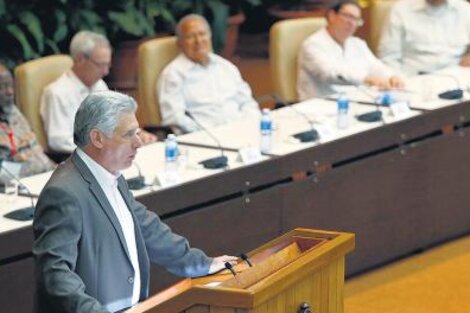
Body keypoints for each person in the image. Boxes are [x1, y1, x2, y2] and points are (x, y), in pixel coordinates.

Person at [33, 90, 237, 313]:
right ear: (97, 138)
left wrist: (201, 263)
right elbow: (55, 274)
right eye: (129, 134)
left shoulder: (110, 176)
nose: (139, 143)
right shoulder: (64, 193)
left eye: (138, 133)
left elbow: (147, 228)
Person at [40, 31, 156, 156]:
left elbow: (115, 119)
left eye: (108, 65)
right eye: (100, 65)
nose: (106, 72)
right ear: (80, 59)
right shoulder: (57, 93)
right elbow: (59, 141)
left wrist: (136, 134)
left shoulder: (99, 85)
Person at [158, 14, 260, 133]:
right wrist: (207, 135)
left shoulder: (226, 67)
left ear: (210, 36)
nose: (198, 41)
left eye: (202, 34)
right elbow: (174, 118)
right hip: (206, 140)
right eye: (190, 36)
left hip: (242, 131)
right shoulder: (173, 75)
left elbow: (247, 103)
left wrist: (248, 125)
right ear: (180, 43)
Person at [297, 0, 404, 100]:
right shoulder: (313, 45)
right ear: (332, 15)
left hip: (354, 102)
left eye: (357, 20)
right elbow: (330, 74)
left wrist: (392, 76)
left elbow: (376, 66)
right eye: (348, 17)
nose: (352, 23)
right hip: (320, 106)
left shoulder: (357, 43)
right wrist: (367, 79)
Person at [378, 0, 470, 76]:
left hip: (457, 78)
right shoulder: (400, 10)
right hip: (414, 79)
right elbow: (388, 57)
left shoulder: (465, 9)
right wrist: (397, 80)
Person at [0, 64, 55, 177]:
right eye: (2, 87)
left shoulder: (11, 110)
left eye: (11, 85)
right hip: (16, 185)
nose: (10, 92)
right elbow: (4, 173)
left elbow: (34, 147)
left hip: (44, 174)